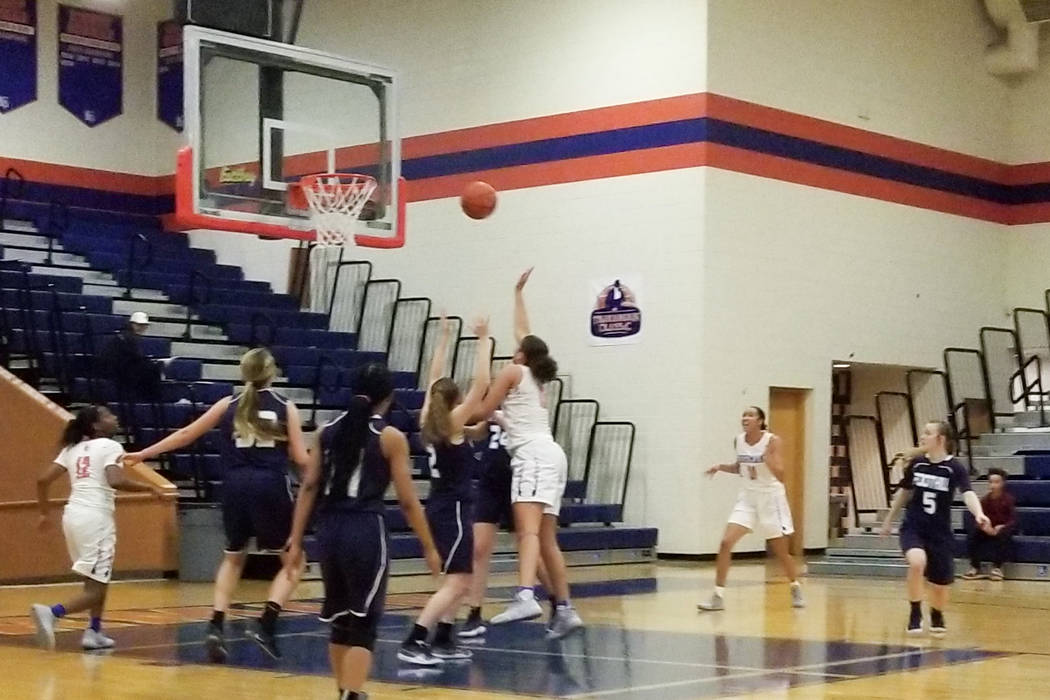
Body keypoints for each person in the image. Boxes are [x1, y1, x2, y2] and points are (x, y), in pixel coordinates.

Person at [124, 347, 309, 661]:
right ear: (272, 372)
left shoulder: (228, 404)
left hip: (234, 486)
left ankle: (216, 622)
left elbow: (186, 433)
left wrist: (143, 454)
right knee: (295, 561)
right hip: (269, 484)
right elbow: (300, 458)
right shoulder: (285, 406)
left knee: (233, 556)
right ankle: (267, 622)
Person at [284, 363, 441, 700]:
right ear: (388, 399)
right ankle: (352, 695)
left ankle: (345, 691)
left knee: (341, 619)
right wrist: (428, 546)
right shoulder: (389, 437)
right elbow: (408, 502)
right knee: (364, 622)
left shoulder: (326, 431)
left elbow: (309, 487)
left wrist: (295, 540)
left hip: (327, 531)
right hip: (364, 529)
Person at [471, 268, 582, 638]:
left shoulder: (513, 372)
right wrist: (518, 293)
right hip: (551, 453)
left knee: (527, 531)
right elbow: (525, 332)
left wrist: (482, 347)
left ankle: (525, 595)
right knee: (546, 538)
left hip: (532, 456)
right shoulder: (536, 375)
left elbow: (483, 409)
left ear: (521, 355)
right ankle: (564, 609)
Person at [30, 405, 166, 651]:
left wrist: (43, 513)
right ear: (95, 425)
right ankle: (52, 612)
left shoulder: (72, 448)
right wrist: (149, 488)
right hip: (96, 519)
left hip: (72, 517)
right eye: (107, 415)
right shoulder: (111, 446)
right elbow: (115, 480)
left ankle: (94, 631)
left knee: (95, 580)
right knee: (96, 587)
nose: (115, 417)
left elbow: (42, 480)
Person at [398, 315, 492, 665]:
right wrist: (483, 339)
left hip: (443, 505)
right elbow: (482, 384)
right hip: (451, 508)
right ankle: (415, 638)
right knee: (456, 582)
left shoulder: (430, 420)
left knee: (461, 579)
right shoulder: (452, 421)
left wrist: (443, 339)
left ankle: (443, 639)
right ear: (455, 402)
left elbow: (433, 380)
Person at [880, 421, 990, 636]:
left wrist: (978, 513)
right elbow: (904, 493)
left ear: (940, 439)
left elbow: (967, 493)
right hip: (914, 527)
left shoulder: (954, 468)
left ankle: (936, 613)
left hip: (939, 533)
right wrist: (889, 519)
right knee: (917, 563)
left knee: (939, 585)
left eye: (928, 433)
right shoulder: (918, 464)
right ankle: (914, 612)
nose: (922, 436)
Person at [458, 412, 555, 639]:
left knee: (528, 544)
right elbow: (483, 429)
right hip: (490, 480)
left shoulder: (530, 404)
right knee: (479, 548)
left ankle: (557, 600)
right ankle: (474, 613)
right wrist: (464, 429)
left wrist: (500, 417)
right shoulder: (498, 399)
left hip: (518, 477)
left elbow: (524, 433)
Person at [698, 406, 805, 612]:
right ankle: (717, 596)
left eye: (750, 415)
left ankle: (795, 586)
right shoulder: (738, 440)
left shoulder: (772, 441)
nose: (745, 418)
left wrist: (768, 460)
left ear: (760, 421)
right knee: (726, 542)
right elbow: (740, 467)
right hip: (747, 497)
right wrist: (720, 467)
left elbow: (781, 475)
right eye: (744, 415)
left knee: (780, 550)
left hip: (770, 497)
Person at [962, 467, 1016, 581]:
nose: (993, 485)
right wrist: (985, 527)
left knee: (1005, 534)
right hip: (989, 528)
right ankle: (975, 567)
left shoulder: (1008, 499)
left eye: (996, 482)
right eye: (991, 482)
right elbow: (979, 517)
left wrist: (1002, 527)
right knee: (973, 534)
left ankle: (997, 568)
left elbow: (1013, 519)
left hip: (1002, 529)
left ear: (1003, 483)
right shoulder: (985, 500)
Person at [98, 312, 164, 401]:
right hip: (116, 371)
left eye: (144, 325)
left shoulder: (127, 337)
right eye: (139, 325)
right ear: (131, 324)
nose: (142, 328)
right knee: (153, 371)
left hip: (119, 369)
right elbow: (132, 358)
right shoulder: (127, 338)